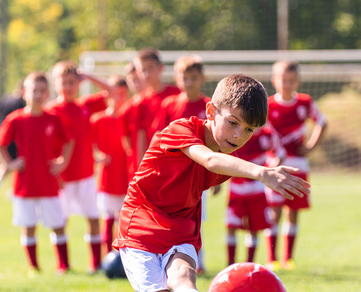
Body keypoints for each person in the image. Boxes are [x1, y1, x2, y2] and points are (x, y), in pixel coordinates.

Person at [112, 74, 310, 292]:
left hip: (182, 225)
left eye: (248, 131)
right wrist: (263, 174)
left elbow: (215, 168)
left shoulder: (227, 152)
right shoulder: (180, 130)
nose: (238, 136)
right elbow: (209, 161)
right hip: (140, 222)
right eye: (232, 123)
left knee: (182, 274)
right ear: (210, 111)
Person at [0, 72, 73, 274]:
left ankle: (63, 265)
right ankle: (33, 266)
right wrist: (9, 163)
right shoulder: (16, 119)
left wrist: (63, 162)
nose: (37, 94)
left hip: (49, 183)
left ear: (47, 94)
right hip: (24, 184)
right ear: (24, 93)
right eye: (33, 90)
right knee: (28, 226)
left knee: (58, 224)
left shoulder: (53, 119)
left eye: (42, 91)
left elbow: (69, 141)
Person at [46, 60, 113, 274]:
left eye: (72, 82)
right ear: (55, 84)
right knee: (59, 222)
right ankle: (63, 265)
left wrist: (90, 76)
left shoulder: (84, 106)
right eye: (63, 82)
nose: (67, 86)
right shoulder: (50, 110)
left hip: (85, 175)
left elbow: (112, 91)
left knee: (93, 219)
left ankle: (95, 264)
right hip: (61, 178)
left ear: (78, 83)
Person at [151, 55, 214, 274]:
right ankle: (168, 260)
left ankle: (198, 262)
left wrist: (216, 178)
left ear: (202, 78)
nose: (188, 82)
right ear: (177, 79)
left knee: (195, 220)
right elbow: (159, 137)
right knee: (171, 218)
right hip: (173, 175)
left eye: (193, 78)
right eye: (184, 77)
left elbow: (215, 143)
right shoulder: (169, 105)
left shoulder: (209, 106)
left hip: (198, 175)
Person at [265, 60, 327, 271]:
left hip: (299, 165)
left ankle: (288, 258)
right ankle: (271, 258)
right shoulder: (267, 105)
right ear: (274, 80)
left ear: (297, 81)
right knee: (273, 212)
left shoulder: (305, 102)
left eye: (291, 80)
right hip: (274, 166)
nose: (286, 84)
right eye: (282, 79)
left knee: (293, 212)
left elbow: (322, 121)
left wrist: (310, 146)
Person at [225, 123, 285, 265]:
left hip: (256, 189)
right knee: (231, 227)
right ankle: (230, 264)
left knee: (254, 228)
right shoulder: (236, 132)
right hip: (236, 188)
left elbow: (280, 154)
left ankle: (249, 264)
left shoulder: (267, 133)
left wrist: (269, 172)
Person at [120, 48, 180, 180]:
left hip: (176, 165)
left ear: (161, 68)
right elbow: (139, 138)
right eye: (142, 70)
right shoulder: (140, 102)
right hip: (153, 167)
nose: (146, 74)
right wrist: (143, 167)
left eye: (150, 68)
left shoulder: (178, 94)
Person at [90, 76, 130, 257]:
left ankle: (122, 259)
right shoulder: (97, 120)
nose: (117, 98)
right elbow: (89, 145)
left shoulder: (129, 118)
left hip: (126, 176)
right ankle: (108, 257)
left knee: (124, 221)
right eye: (114, 94)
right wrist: (97, 155)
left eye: (122, 94)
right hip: (107, 177)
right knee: (107, 218)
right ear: (106, 95)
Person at [0, 81, 25, 196]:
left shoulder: (5, 98)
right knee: (15, 162)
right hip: (11, 137)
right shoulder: (20, 103)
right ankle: (10, 188)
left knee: (8, 162)